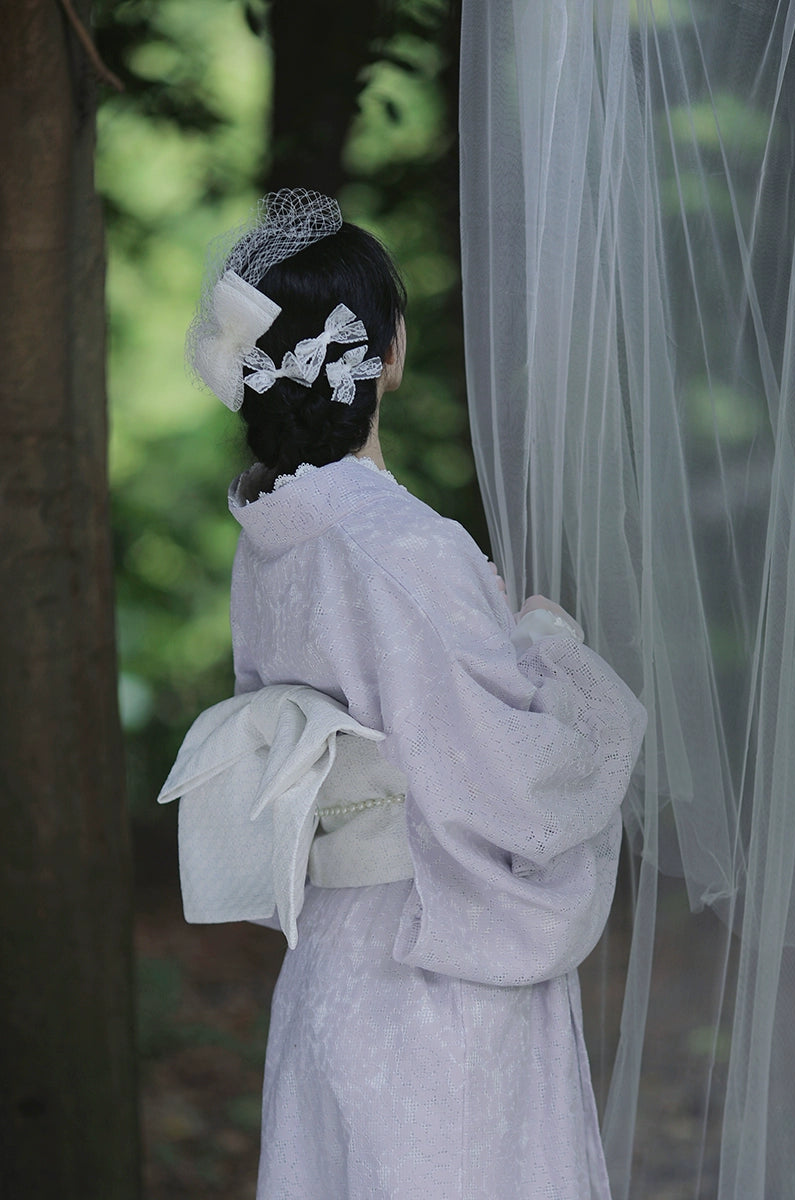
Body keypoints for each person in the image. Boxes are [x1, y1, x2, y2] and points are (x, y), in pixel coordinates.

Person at [165, 189, 646, 1199]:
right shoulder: (405, 550)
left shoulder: (272, 540)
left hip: (333, 961)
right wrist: (556, 654)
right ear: (383, 353)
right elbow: (507, 784)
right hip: (438, 968)